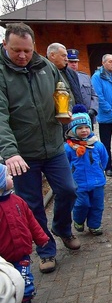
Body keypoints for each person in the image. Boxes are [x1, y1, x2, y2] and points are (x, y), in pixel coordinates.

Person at [0, 23, 80, 274]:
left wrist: (65, 111)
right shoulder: (2, 73)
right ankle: (46, 250)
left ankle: (62, 228)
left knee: (68, 190)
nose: (22, 56)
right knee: (32, 204)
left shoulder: (46, 66)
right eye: (16, 51)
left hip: (54, 146)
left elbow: (64, 92)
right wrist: (10, 151)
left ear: (34, 46)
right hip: (22, 153)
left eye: (27, 50)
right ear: (5, 45)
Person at [0, 164, 49, 303]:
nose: (12, 177)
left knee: (24, 277)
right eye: (7, 176)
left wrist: (41, 238)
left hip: (21, 251)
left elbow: (31, 221)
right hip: (3, 257)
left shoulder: (17, 201)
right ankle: (8, 302)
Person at [64, 105, 108, 236]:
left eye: (86, 127)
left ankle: (95, 225)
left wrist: (101, 171)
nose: (84, 131)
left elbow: (104, 159)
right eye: (80, 128)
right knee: (82, 204)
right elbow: (64, 164)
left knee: (97, 205)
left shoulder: (97, 145)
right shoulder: (68, 148)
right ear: (72, 130)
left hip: (97, 181)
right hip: (79, 183)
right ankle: (78, 219)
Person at [46, 43, 85, 111]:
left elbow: (78, 96)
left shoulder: (71, 72)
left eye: (66, 56)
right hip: (55, 117)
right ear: (52, 55)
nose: (66, 59)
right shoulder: (42, 72)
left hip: (74, 117)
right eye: (63, 56)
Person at [67, 49, 99, 124]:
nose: (74, 64)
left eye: (75, 62)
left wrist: (93, 109)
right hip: (71, 117)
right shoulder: (63, 77)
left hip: (87, 116)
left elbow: (94, 95)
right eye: (71, 62)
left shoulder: (85, 77)